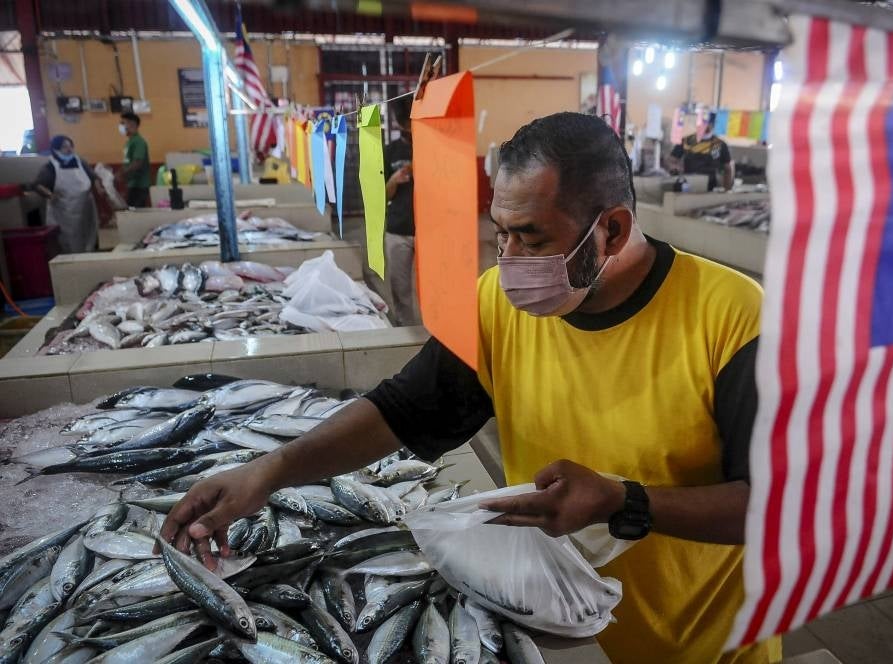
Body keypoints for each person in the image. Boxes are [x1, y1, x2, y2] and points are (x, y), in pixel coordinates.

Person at [159, 113, 768, 663]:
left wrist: (623, 501)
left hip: (701, 645)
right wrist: (269, 471)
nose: (507, 260)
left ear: (610, 229)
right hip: (554, 634)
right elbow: (402, 410)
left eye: (532, 238)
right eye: (499, 233)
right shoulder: (495, 306)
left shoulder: (733, 317)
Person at [383, 95, 421, 327]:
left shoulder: (431, 147)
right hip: (398, 229)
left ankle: (440, 332)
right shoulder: (390, 151)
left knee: (437, 284)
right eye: (407, 122)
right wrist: (395, 180)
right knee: (400, 287)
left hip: (429, 229)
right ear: (399, 123)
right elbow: (382, 195)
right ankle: (406, 331)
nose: (410, 127)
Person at [32, 135, 104, 253]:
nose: (69, 149)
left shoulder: (80, 161)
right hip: (64, 212)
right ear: (56, 150)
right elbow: (37, 185)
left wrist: (99, 187)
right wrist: (50, 195)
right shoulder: (50, 167)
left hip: (85, 208)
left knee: (88, 236)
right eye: (65, 147)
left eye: (71, 146)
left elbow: (93, 177)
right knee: (68, 241)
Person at [667, 111, 735, 191]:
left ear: (712, 124)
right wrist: (675, 169)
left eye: (707, 123)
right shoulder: (687, 141)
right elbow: (672, 160)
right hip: (688, 185)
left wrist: (727, 190)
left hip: (710, 187)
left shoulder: (717, 144)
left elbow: (727, 168)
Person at [116, 111, 151, 208]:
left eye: (123, 123)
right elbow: (128, 162)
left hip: (140, 185)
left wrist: (122, 173)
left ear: (132, 124)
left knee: (136, 214)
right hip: (132, 184)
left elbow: (137, 163)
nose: (121, 126)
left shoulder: (138, 142)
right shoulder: (130, 142)